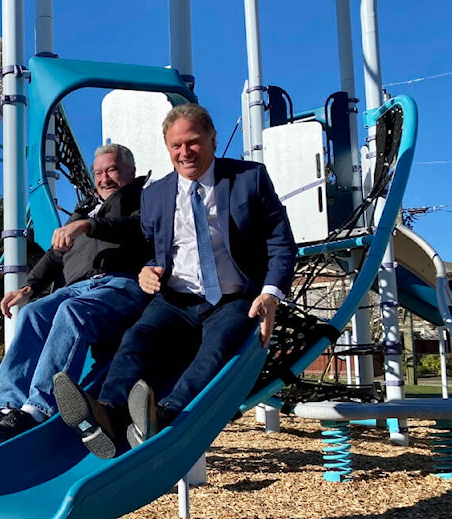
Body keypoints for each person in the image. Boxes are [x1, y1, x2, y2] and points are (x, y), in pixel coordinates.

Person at [52, 103, 296, 459]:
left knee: (215, 349)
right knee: (137, 339)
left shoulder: (249, 179)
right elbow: (147, 243)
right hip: (177, 298)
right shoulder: (157, 194)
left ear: (212, 139)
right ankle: (108, 412)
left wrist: (271, 293)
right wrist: (146, 268)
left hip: (232, 297)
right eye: (175, 146)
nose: (185, 153)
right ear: (167, 148)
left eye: (193, 142)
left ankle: (162, 413)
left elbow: (280, 240)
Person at [0, 143, 153, 450]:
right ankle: (3, 407)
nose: (104, 178)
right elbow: (56, 256)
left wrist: (88, 226)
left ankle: (37, 410)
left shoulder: (145, 199)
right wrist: (29, 286)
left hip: (120, 284)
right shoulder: (83, 209)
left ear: (131, 171)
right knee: (33, 313)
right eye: (98, 172)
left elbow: (140, 229)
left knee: (73, 311)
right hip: (77, 286)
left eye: (112, 170)